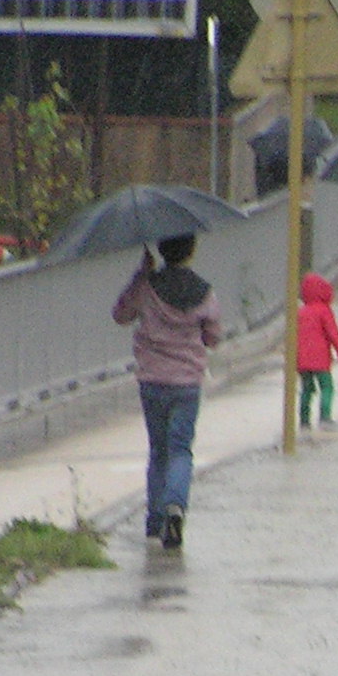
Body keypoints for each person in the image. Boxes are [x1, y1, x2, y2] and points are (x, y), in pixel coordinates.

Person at [113, 236, 221, 552]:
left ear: (161, 250)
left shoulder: (147, 287)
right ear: (191, 251)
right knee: (180, 450)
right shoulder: (205, 291)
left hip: (152, 380)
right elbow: (212, 337)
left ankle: (155, 520)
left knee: (158, 450)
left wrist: (140, 274)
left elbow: (120, 314)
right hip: (187, 384)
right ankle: (176, 507)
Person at [295, 272, 338, 433]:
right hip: (320, 360)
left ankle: (304, 420)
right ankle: (325, 417)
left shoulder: (300, 312)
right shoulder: (324, 311)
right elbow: (334, 335)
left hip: (302, 360)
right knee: (327, 387)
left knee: (307, 389)